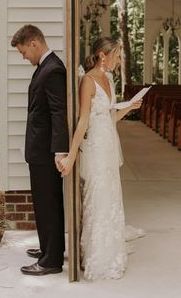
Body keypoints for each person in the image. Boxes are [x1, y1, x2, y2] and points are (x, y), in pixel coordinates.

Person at [57, 37, 143, 281]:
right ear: (102, 55)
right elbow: (83, 121)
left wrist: (130, 108)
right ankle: (96, 255)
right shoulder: (88, 81)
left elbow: (109, 117)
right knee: (97, 197)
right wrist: (72, 156)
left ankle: (111, 251)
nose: (119, 60)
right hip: (94, 148)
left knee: (111, 198)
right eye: (116, 55)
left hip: (109, 147)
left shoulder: (110, 79)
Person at [11, 24, 69, 276]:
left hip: (46, 152)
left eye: (24, 52)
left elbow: (58, 112)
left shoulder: (53, 69)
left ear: (34, 43)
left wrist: (59, 151)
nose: (24, 57)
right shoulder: (44, 67)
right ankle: (49, 248)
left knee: (48, 203)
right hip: (40, 149)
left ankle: (51, 261)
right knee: (44, 203)